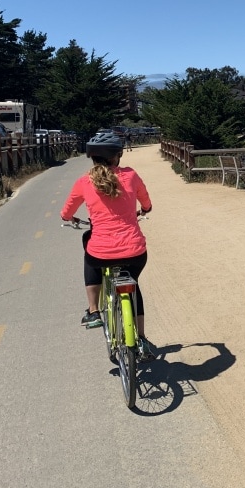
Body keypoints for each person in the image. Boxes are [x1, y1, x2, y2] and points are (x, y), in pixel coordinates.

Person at [61, 130, 156, 357]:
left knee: (89, 248)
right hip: (135, 251)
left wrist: (69, 218)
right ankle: (140, 338)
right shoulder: (130, 176)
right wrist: (144, 209)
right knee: (133, 284)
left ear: (92, 157)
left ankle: (94, 311)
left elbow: (66, 212)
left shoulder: (84, 181)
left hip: (101, 253)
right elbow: (146, 201)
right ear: (117, 156)